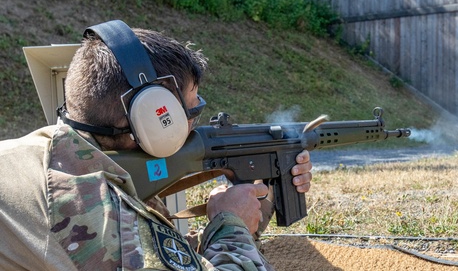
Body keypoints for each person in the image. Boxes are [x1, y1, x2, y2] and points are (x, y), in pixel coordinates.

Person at [0, 20, 313, 270]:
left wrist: (262, 193)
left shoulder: (51, 156)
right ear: (152, 117)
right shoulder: (91, 206)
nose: (193, 124)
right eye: (191, 111)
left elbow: (161, 253)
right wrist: (231, 224)